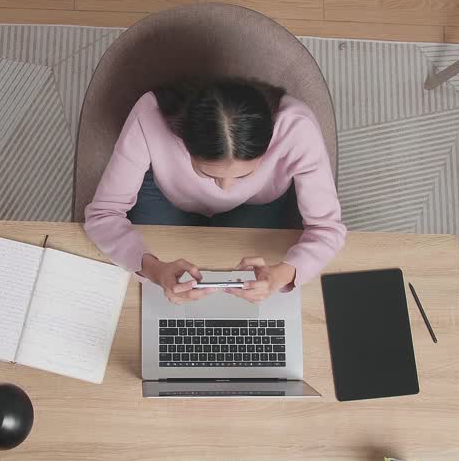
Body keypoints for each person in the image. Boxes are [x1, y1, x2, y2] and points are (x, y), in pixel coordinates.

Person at [84, 77, 346, 305]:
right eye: (209, 173)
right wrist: (154, 270)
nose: (225, 188)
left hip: (258, 203)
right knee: (142, 292)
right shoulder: (148, 118)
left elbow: (327, 229)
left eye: (243, 174)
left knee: (248, 299)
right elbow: (103, 215)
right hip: (168, 194)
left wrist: (279, 276)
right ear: (184, 143)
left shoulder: (297, 129)